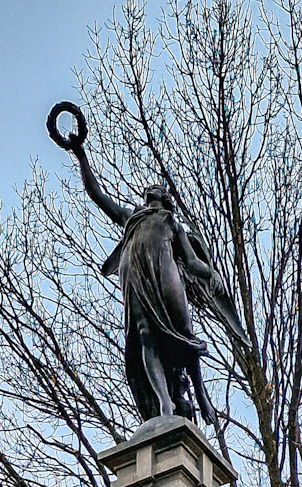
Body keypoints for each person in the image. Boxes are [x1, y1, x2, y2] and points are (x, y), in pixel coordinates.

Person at [46, 102, 248, 425]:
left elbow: (193, 262)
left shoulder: (170, 221)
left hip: (164, 271)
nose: (152, 189)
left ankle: (201, 395)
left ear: (165, 199)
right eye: (151, 189)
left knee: (184, 330)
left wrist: (212, 277)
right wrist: (81, 155)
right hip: (135, 280)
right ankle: (165, 404)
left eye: (158, 189)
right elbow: (96, 194)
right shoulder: (131, 219)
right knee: (145, 335)